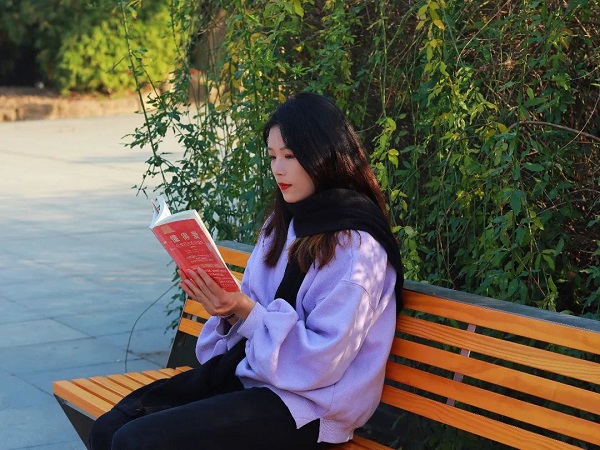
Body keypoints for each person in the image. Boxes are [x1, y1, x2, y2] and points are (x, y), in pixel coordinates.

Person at [88, 92, 404, 450]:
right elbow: (249, 308)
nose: (278, 168)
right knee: (108, 429)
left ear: (325, 157)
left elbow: (322, 362)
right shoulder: (281, 225)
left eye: (290, 156)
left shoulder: (358, 248)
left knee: (135, 442)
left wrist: (244, 310)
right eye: (272, 156)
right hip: (254, 379)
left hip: (311, 406)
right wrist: (226, 309)